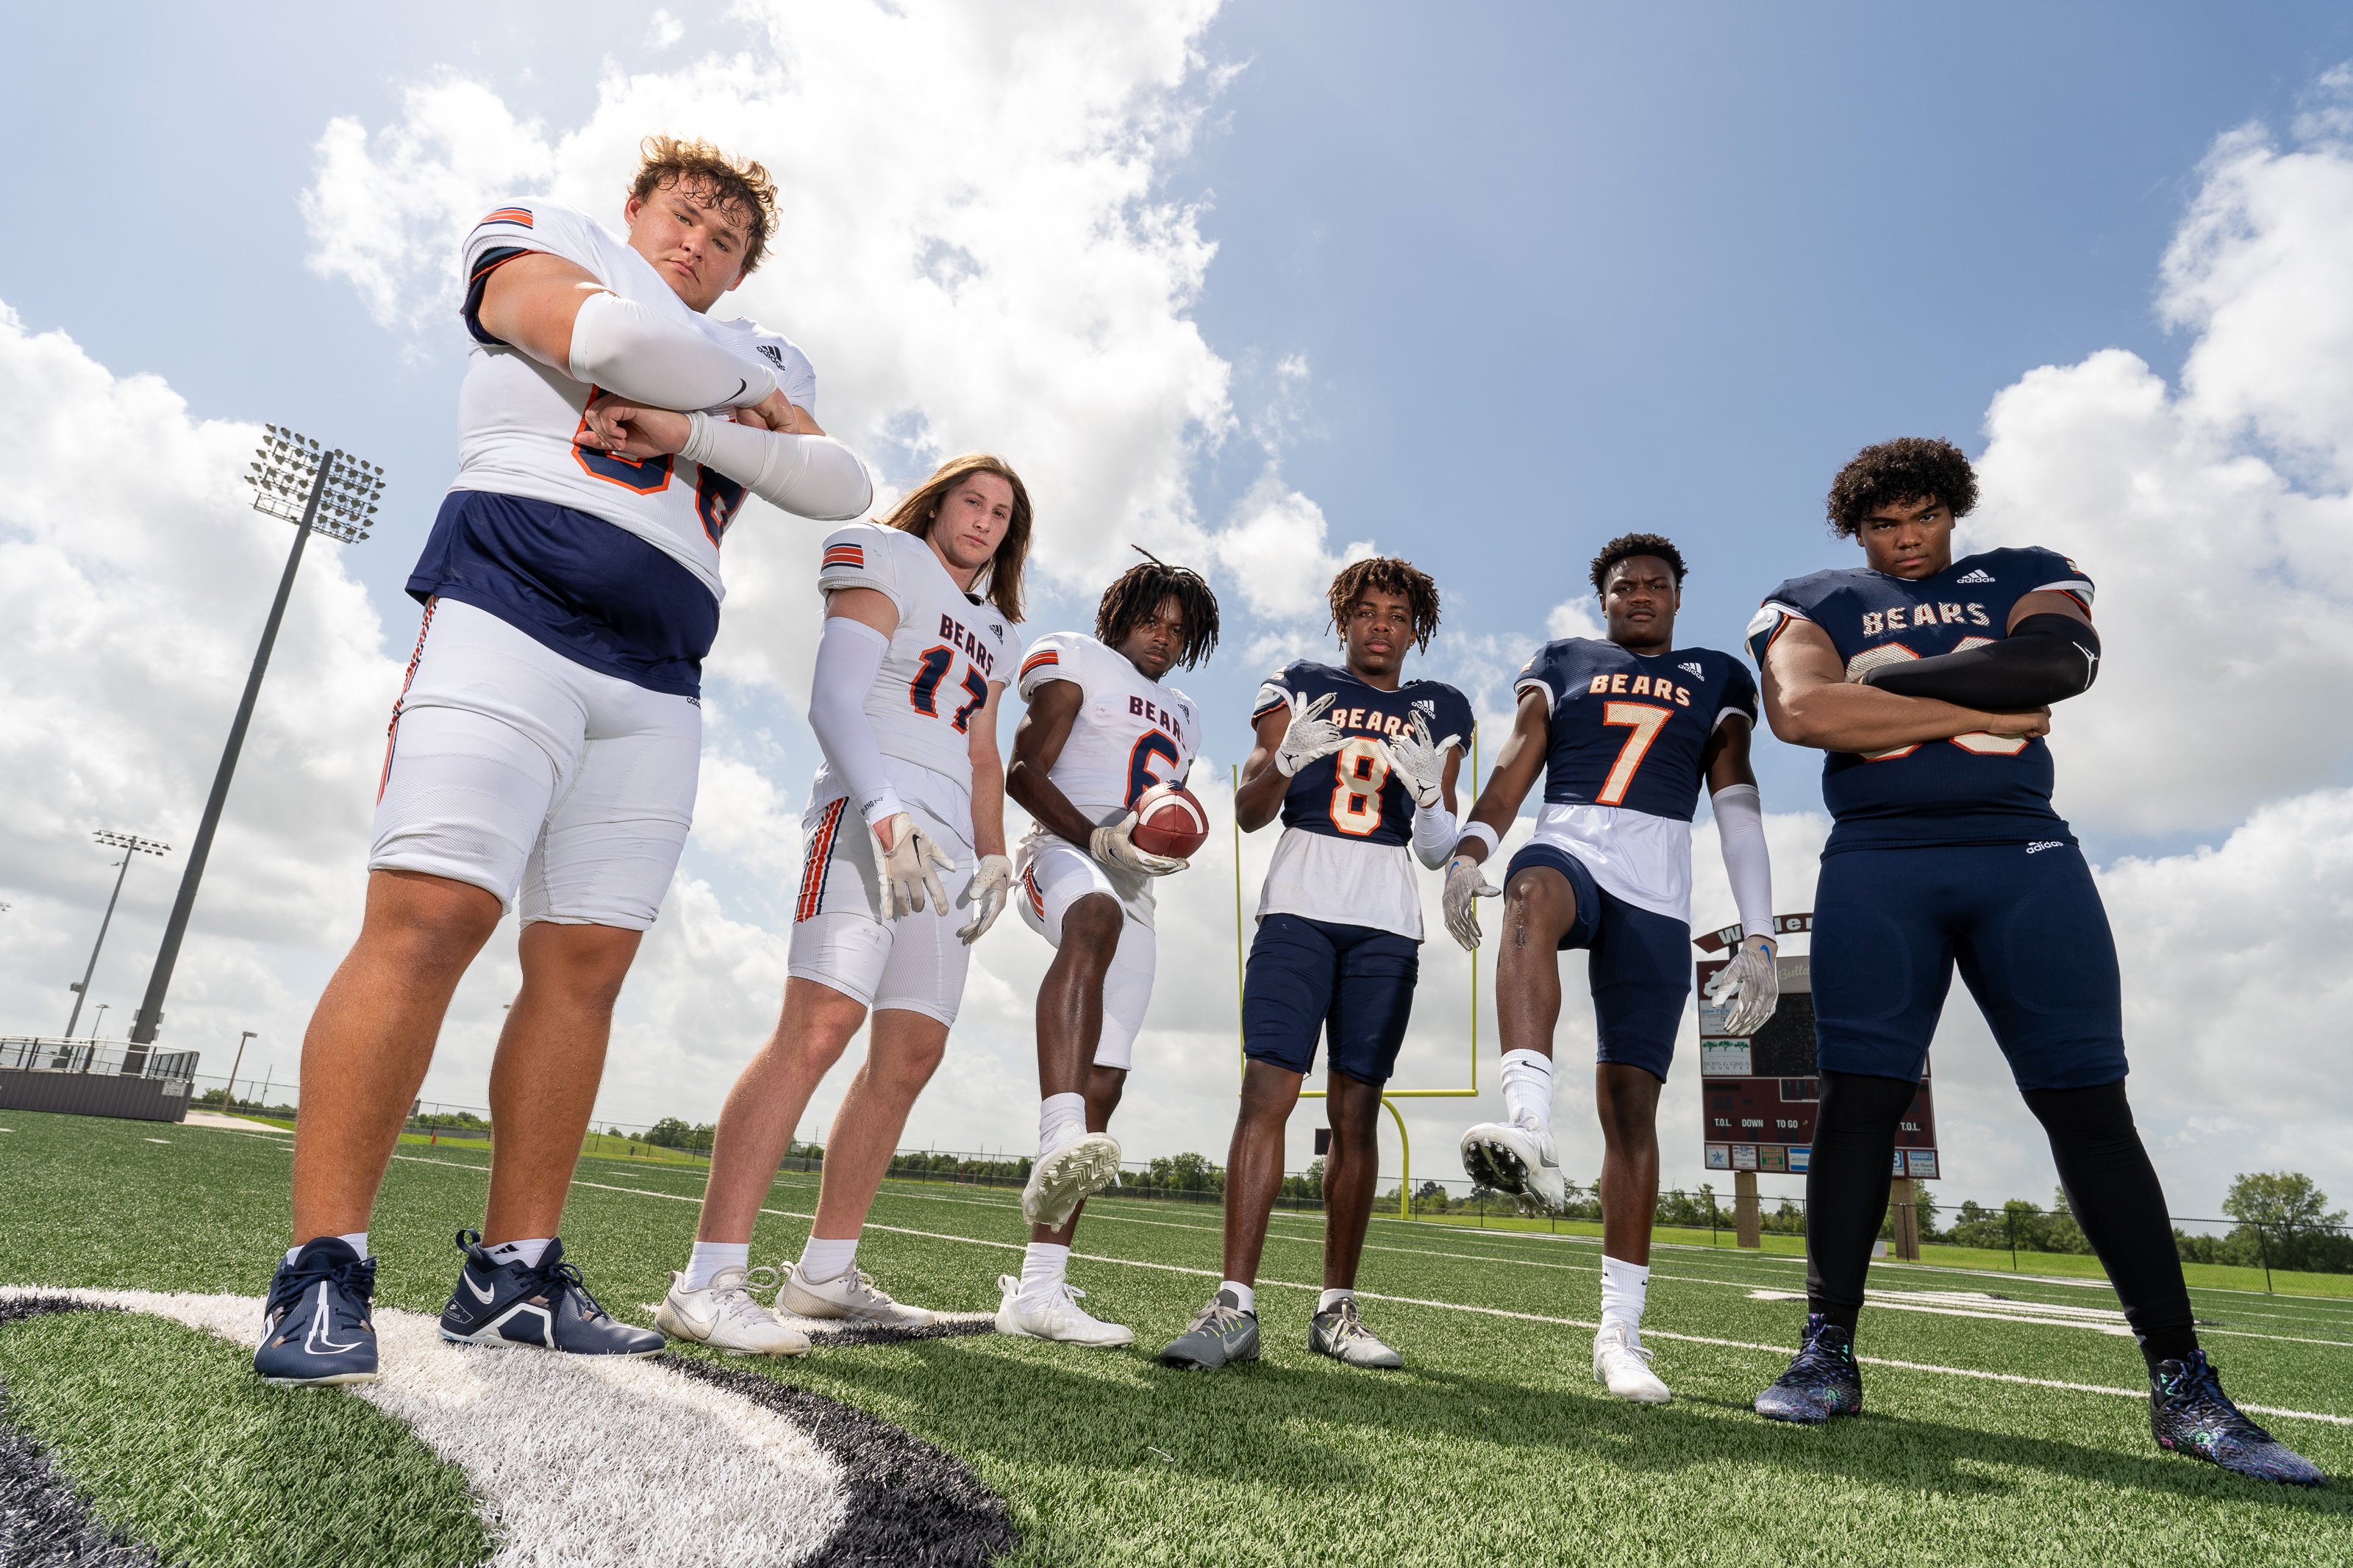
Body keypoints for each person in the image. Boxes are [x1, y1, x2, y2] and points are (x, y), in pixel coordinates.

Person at [255, 137, 872, 1386]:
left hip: (660, 670)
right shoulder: (554, 232)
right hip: (509, 601)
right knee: (431, 912)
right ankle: (324, 1261)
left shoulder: (760, 347)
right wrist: (725, 401)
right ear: (635, 208)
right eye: (685, 215)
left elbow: (841, 480)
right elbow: (596, 342)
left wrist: (693, 422)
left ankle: (514, 1269)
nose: (701, 242)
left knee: (586, 962)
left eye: (731, 239)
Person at [1745, 437, 2323, 1485]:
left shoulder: (2021, 573)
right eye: (1883, 525)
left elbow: (2057, 666)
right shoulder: (1812, 597)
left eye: (1921, 516)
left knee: (2090, 1107)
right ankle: (1827, 1351)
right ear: (1854, 533)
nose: (1905, 538)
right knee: (1858, 1101)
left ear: (1951, 510)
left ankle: (2184, 1385)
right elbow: (1802, 711)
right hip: (1879, 862)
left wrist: (1889, 683)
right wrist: (1985, 705)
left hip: (2025, 856)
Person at [655, 454, 1026, 1354]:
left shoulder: (1002, 631)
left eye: (1002, 513)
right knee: (818, 1026)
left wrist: (992, 854)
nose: (983, 521)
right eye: (970, 501)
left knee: (912, 1053)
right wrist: (885, 811)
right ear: (938, 504)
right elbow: (833, 699)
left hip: (945, 836)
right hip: (869, 810)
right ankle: (706, 1278)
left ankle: (824, 1274)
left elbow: (983, 755)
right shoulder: (882, 555)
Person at [1443, 533, 1778, 1405]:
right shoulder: (1562, 660)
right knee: (1529, 893)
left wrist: (1758, 934)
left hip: (1658, 889)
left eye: (1654, 585)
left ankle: (1619, 1332)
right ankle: (1528, 1121)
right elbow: (1519, 763)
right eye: (1623, 586)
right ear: (1602, 601)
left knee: (1632, 1109)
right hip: (1571, 845)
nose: (1638, 595)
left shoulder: (1715, 677)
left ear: (1676, 597)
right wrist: (1473, 847)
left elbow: (1735, 804)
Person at [1161, 559, 1473, 1372]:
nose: (1379, 625)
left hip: (1384, 920)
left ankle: (1335, 1311)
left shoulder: (1440, 708)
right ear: (1343, 620)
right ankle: (1233, 1304)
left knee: (1357, 1114)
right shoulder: (1299, 685)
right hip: (1298, 903)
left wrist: (1433, 799)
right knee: (1264, 1094)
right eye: (1365, 611)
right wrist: (1285, 761)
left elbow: (1437, 852)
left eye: (1395, 614)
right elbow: (1246, 811)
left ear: (1415, 628)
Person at [991, 551, 1221, 1347]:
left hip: (1133, 883)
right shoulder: (1074, 659)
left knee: (1108, 1081)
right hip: (1058, 851)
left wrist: (1157, 844)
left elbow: (1159, 807)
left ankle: (1038, 1293)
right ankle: (1059, 1132)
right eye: (1150, 620)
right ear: (1117, 616)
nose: (1161, 637)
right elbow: (1020, 770)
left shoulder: (1187, 714)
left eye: (1176, 629)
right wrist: (1091, 835)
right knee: (1091, 919)